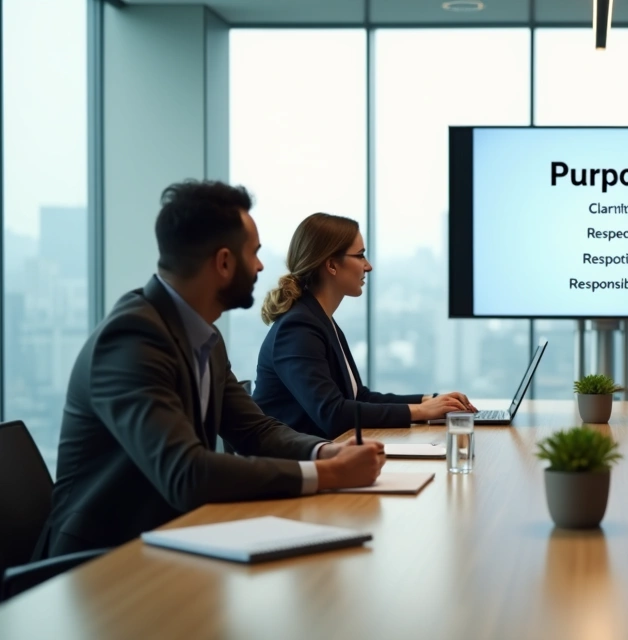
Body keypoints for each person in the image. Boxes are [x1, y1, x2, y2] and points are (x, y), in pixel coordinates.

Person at [37, 181, 385, 558]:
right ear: (223, 262)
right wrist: (328, 476)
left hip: (173, 540)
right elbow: (186, 472)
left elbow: (256, 430)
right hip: (101, 561)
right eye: (253, 253)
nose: (261, 266)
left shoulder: (205, 337)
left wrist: (325, 453)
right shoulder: (132, 339)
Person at [252, 212, 474, 439]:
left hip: (325, 456)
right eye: (360, 256)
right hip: (295, 467)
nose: (368, 266)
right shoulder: (297, 329)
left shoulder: (320, 319)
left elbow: (359, 398)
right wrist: (420, 411)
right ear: (331, 265)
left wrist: (427, 400)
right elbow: (333, 414)